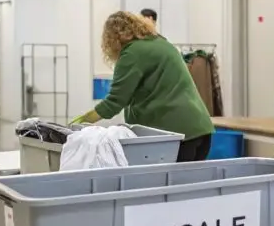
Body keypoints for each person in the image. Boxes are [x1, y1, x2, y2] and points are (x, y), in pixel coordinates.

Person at [72, 11, 214, 161]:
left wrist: (79, 123)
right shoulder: (162, 43)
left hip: (175, 136)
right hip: (201, 129)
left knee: (165, 184)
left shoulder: (131, 53)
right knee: (190, 184)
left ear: (111, 39)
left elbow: (114, 103)